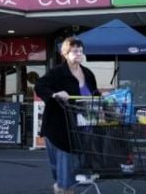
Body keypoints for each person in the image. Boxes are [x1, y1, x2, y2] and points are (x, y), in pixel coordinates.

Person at [34, 37, 100, 194]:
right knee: (64, 168)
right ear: (65, 53)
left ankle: (61, 186)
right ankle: (63, 188)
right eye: (75, 51)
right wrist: (55, 94)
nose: (79, 53)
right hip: (59, 127)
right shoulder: (57, 73)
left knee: (73, 166)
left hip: (82, 127)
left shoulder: (88, 74)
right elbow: (40, 86)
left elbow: (94, 94)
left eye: (81, 51)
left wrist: (102, 102)